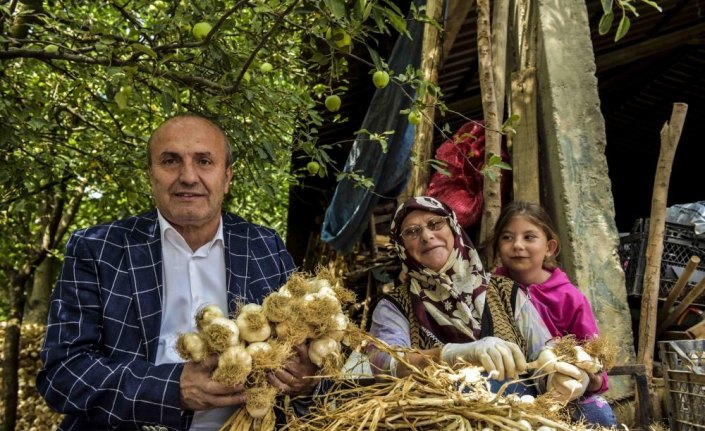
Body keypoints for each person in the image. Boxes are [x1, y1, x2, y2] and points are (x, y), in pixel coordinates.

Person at [36, 114, 319, 431]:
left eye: (204, 161)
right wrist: (171, 390)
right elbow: (63, 373)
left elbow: (309, 356)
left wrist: (305, 379)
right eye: (171, 161)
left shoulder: (265, 245)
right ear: (151, 174)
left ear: (226, 177)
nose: (188, 176)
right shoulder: (98, 249)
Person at [366, 196, 551, 387]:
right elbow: (385, 365)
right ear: (402, 247)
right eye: (412, 232)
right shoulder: (394, 306)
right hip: (439, 415)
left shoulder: (505, 292)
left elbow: (543, 353)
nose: (427, 236)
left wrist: (555, 375)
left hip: (519, 413)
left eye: (435, 224)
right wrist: (450, 355)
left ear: (454, 228)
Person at [491, 201, 618, 427]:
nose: (517, 245)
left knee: (599, 415)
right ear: (498, 246)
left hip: (561, 392)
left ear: (549, 247)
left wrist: (588, 376)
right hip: (509, 384)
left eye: (529, 237)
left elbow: (594, 359)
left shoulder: (570, 298)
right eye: (507, 237)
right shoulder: (488, 290)